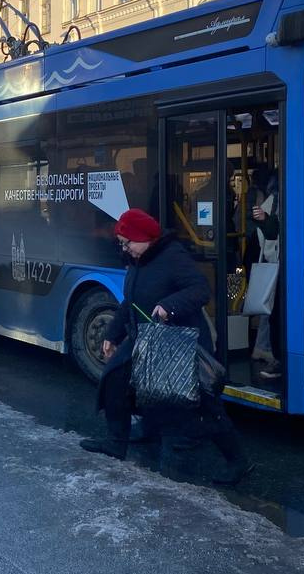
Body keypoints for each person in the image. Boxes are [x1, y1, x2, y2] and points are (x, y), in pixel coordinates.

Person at [79, 209, 252, 485]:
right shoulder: (138, 260)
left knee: (203, 405)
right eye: (121, 243)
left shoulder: (173, 256)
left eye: (128, 242)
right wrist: (112, 334)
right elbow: (130, 302)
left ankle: (237, 461)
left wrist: (168, 307)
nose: (124, 249)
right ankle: (116, 441)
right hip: (144, 337)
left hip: (178, 342)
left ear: (145, 238)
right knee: (116, 380)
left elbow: (200, 291)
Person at [250, 167, 281, 379]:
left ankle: (263, 347)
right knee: (271, 307)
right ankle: (266, 348)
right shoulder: (275, 201)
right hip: (277, 262)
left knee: (269, 307)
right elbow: (268, 234)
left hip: (277, 261)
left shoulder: (274, 199)